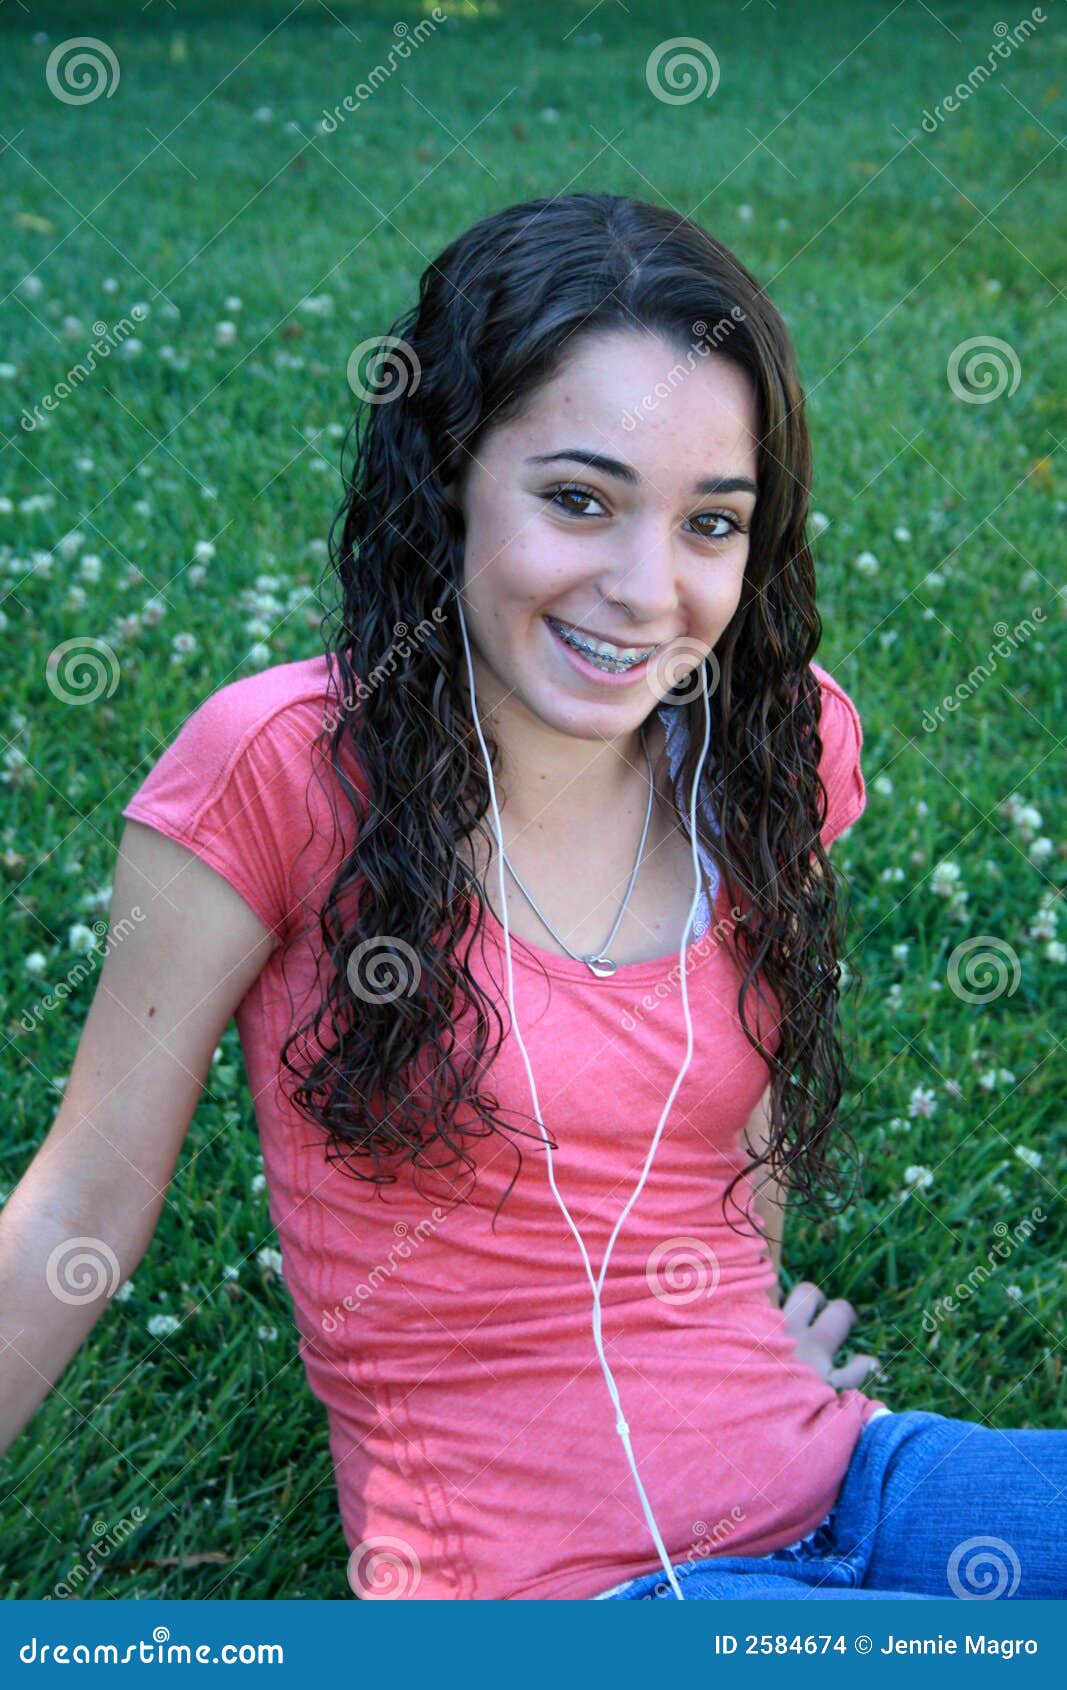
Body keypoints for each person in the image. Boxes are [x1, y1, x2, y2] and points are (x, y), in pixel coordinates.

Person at [2, 193, 1062, 1603]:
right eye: (579, 498)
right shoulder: (281, 770)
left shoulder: (780, 745)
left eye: (711, 523)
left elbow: (727, 1121)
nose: (644, 590)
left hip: (844, 1474)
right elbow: (82, 1199)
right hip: (557, 1595)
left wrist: (735, 1351)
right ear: (449, 475)